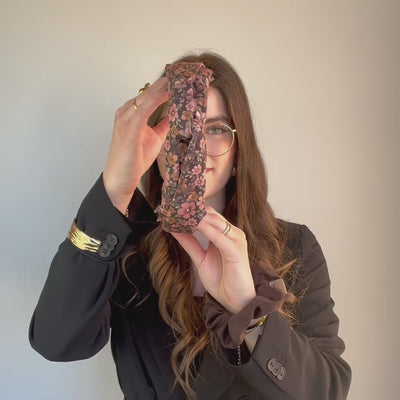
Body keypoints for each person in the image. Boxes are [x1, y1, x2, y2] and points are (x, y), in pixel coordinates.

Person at [29, 51, 351, 400]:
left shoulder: (294, 246)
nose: (194, 145)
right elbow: (56, 341)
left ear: (238, 150)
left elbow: (327, 391)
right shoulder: (128, 249)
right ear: (155, 146)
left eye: (215, 128)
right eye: (180, 125)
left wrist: (248, 310)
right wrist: (113, 190)